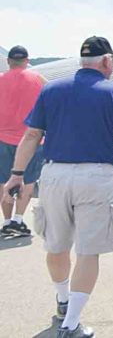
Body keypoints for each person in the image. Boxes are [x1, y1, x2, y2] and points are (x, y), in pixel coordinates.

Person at [1, 35, 113, 338]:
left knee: (56, 245)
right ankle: (71, 324)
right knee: (88, 251)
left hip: (54, 175)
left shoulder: (51, 89)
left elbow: (31, 135)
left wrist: (16, 174)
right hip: (97, 175)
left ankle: (63, 299)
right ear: (106, 61)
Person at [1, 44, 47, 238]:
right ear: (27, 61)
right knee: (28, 182)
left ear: (8, 61)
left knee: (3, 181)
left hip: (2, 139)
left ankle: (6, 221)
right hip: (32, 140)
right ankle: (19, 220)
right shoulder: (38, 79)